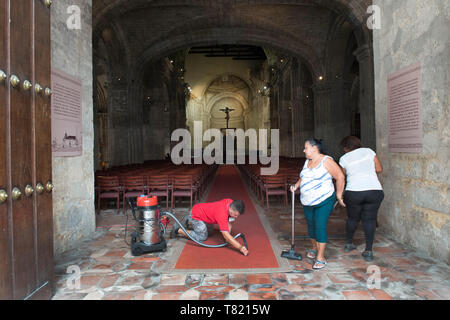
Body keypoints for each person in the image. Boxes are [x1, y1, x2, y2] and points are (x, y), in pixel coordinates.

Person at [291, 139, 345, 270]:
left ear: (315, 148)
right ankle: (314, 248)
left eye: (306, 148)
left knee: (319, 225)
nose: (304, 150)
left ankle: (320, 258)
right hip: (307, 200)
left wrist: (339, 195)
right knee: (311, 225)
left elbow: (340, 176)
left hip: (324, 200)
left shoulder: (326, 161)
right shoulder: (307, 161)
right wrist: (297, 185)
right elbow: (303, 176)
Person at [338, 136, 384, 262]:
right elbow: (379, 169)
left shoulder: (344, 158)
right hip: (374, 189)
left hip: (354, 191)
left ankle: (349, 243)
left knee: (353, 218)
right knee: (369, 219)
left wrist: (340, 193)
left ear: (346, 147)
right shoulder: (369, 151)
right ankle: (368, 251)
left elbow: (342, 176)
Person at [171, 198, 249, 256]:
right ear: (231, 209)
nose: (236, 217)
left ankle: (188, 221)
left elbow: (229, 223)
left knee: (210, 233)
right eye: (235, 215)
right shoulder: (221, 214)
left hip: (204, 213)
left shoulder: (230, 202)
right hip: (196, 215)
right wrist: (240, 247)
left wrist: (228, 238)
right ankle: (178, 230)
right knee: (202, 237)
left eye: (237, 215)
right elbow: (226, 235)